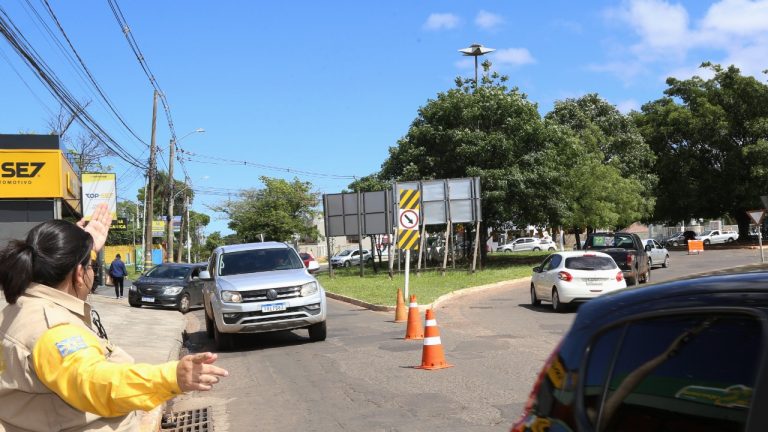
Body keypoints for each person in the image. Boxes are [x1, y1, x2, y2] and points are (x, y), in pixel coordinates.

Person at [0, 204, 229, 431]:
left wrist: (84, 247)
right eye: (90, 266)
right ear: (80, 274)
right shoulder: (54, 330)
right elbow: (95, 382)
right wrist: (170, 377)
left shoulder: (19, 306)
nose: (93, 272)